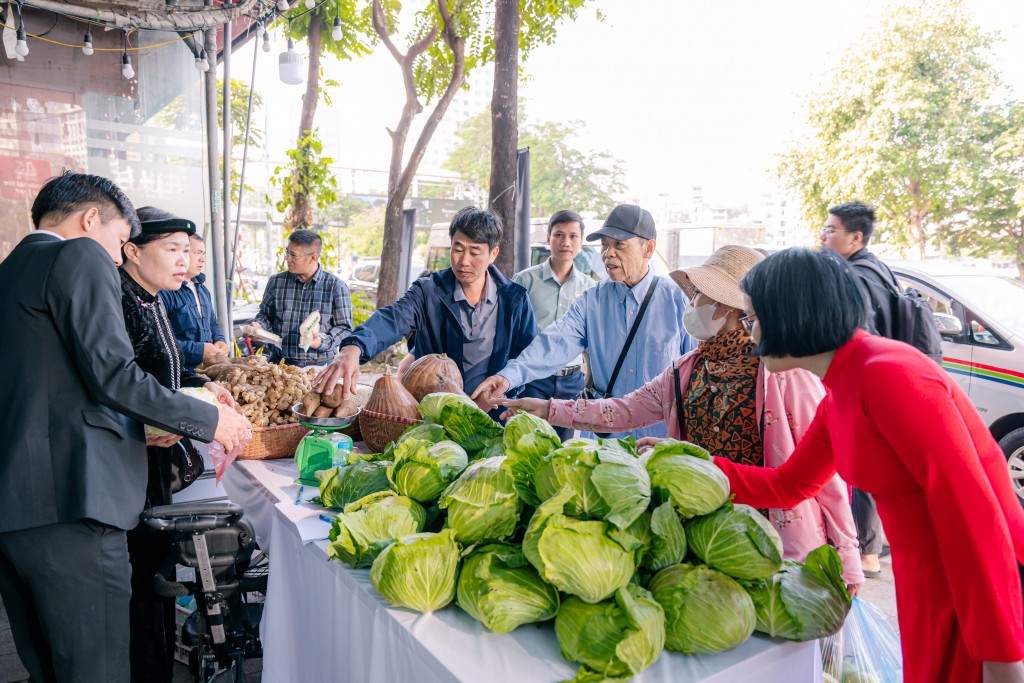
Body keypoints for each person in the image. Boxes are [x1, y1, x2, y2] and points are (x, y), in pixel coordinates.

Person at [715, 247, 1024, 683]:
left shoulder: (890, 375)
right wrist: (701, 467)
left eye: (752, 318)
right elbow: (789, 484)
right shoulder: (841, 385)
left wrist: (1002, 653)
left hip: (979, 588)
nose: (748, 334)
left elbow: (975, 514)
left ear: (791, 313)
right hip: (925, 585)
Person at [0, 172, 250, 683]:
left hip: (18, 510)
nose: (118, 257)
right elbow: (113, 372)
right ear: (91, 220)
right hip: (73, 503)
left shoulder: (12, 271)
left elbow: (54, 391)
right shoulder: (78, 254)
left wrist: (134, 429)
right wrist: (210, 420)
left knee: (48, 669)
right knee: (98, 669)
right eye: (119, 242)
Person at [500, 245, 864, 590]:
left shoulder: (784, 373)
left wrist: (847, 556)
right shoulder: (686, 369)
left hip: (776, 545)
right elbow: (624, 411)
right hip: (707, 534)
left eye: (699, 296)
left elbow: (824, 479)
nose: (691, 304)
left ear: (730, 308)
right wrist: (550, 409)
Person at [120, 208, 241, 682]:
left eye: (186, 250)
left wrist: (202, 386)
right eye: (171, 249)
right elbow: (122, 382)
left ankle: (158, 661)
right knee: (141, 575)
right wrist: (191, 415)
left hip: (159, 454)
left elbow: (163, 371)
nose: (183, 260)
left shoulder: (153, 298)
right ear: (132, 250)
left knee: (153, 570)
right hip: (134, 457)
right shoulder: (123, 303)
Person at [473, 204, 694, 440]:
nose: (608, 253)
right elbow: (552, 345)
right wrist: (507, 377)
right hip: (605, 442)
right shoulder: (592, 301)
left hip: (658, 441)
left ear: (648, 248)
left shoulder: (677, 300)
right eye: (605, 245)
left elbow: (692, 375)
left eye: (619, 244)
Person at [315, 207, 537, 405]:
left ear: (493, 254)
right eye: (458, 249)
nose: (464, 261)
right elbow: (392, 319)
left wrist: (510, 397)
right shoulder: (429, 291)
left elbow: (527, 358)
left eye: (475, 252)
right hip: (434, 414)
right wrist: (354, 347)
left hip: (493, 416)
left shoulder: (514, 299)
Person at [820, 201, 896, 577]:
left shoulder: (857, 279)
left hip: (869, 392)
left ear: (855, 237)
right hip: (880, 390)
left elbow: (858, 340)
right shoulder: (875, 268)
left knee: (859, 469)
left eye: (831, 230)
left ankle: (866, 551)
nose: (824, 235)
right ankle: (870, 545)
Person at [512, 210, 596, 441]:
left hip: (572, 383)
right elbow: (509, 332)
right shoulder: (524, 281)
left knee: (563, 453)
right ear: (548, 238)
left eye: (573, 236)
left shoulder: (590, 288)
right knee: (526, 445)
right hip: (533, 380)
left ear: (580, 242)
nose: (565, 242)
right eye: (559, 235)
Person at [250, 229, 352, 367]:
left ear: (313, 258)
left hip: (319, 366)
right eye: (287, 252)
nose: (287, 258)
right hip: (278, 363)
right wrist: (259, 326)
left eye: (293, 255)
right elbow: (265, 315)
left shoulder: (336, 287)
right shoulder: (276, 282)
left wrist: (321, 342)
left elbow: (344, 328)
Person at [159, 231, 230, 373]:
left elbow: (213, 324)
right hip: (180, 373)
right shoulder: (165, 291)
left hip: (208, 371)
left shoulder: (203, 290)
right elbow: (160, 344)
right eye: (197, 253)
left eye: (203, 253)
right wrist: (200, 350)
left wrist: (221, 341)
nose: (202, 259)